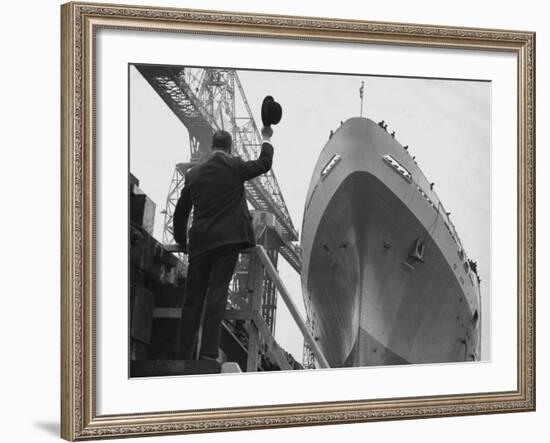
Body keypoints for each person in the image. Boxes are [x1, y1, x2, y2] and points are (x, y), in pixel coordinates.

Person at [172, 127, 274, 361]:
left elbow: (180, 213)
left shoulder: (194, 174)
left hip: (199, 244)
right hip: (228, 242)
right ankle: (208, 355)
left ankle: (183, 356)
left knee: (192, 300)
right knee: (217, 296)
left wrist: (181, 240)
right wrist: (266, 137)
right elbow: (263, 164)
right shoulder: (235, 167)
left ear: (212, 148)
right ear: (229, 148)